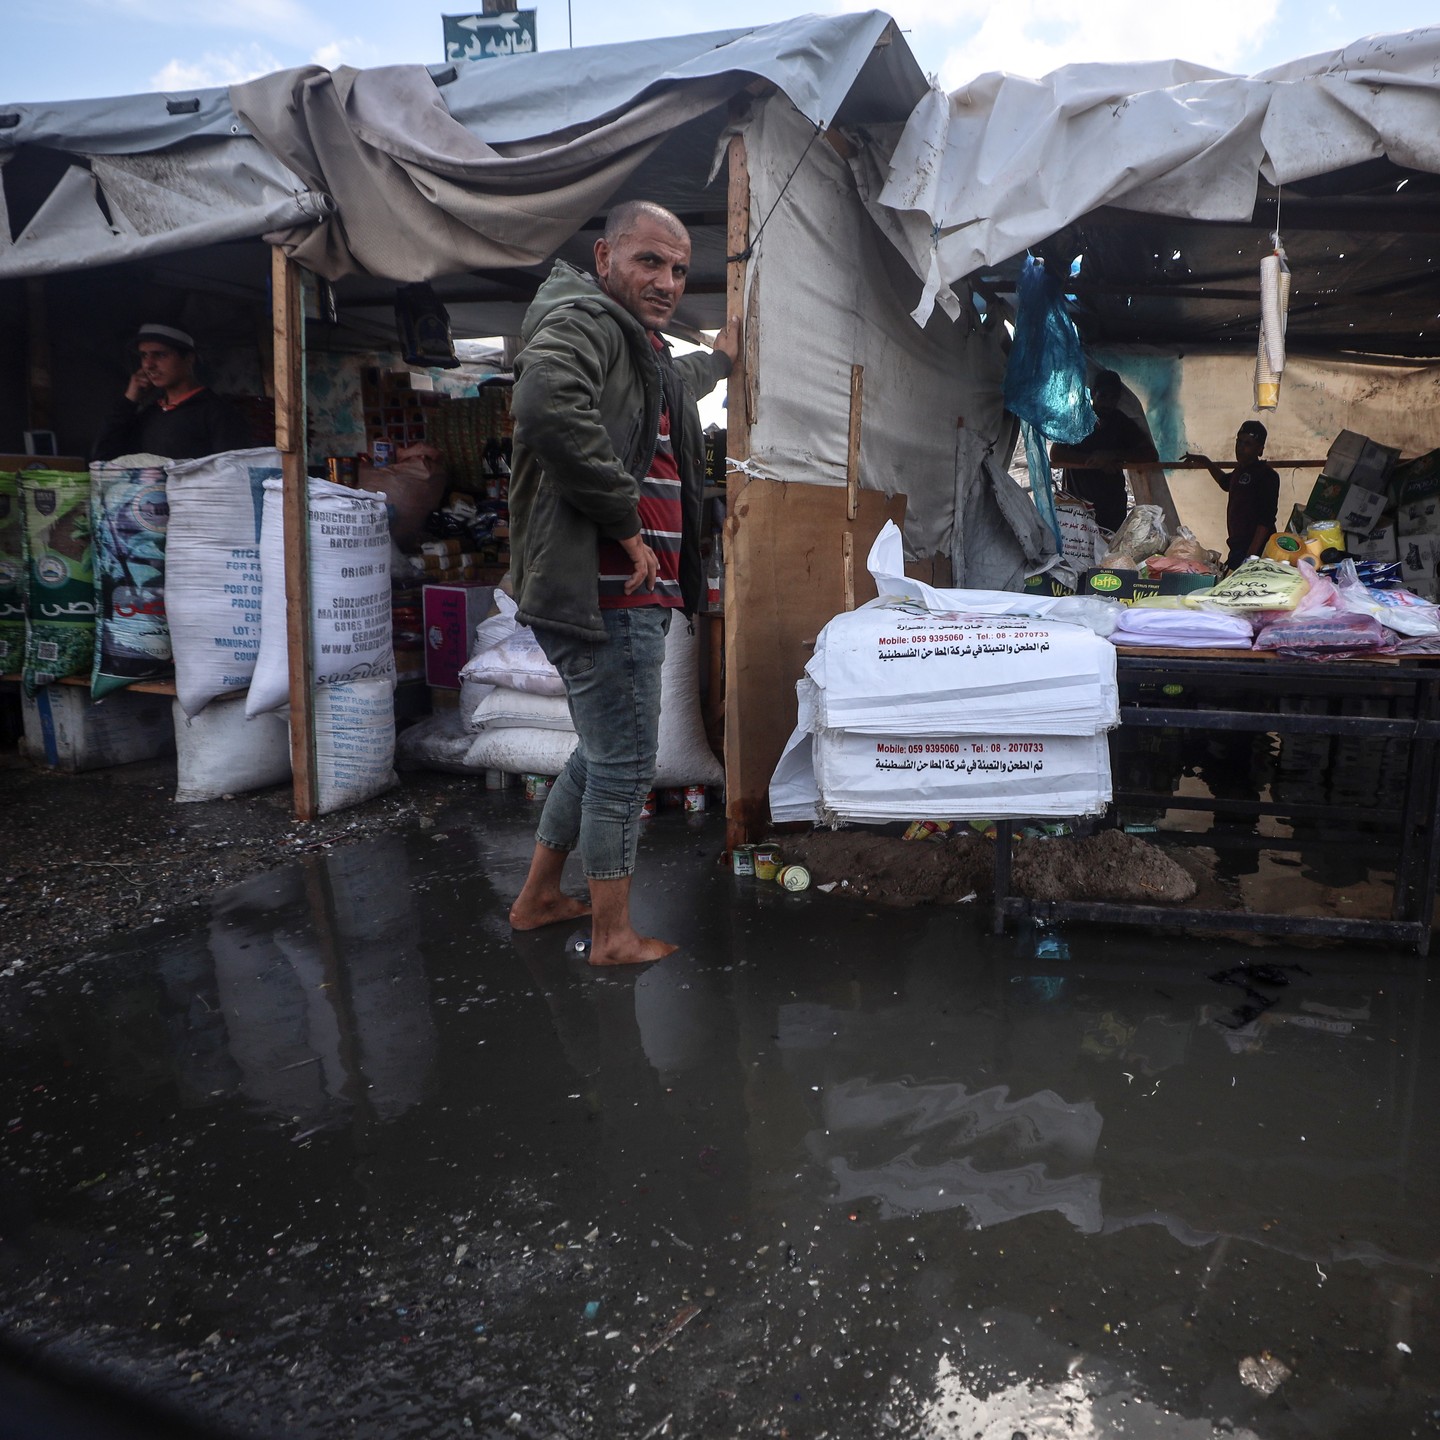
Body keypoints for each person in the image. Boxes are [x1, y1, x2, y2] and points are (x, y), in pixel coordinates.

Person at [506, 200, 739, 967]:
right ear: (605, 258)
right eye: (650, 261)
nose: (667, 281)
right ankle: (611, 937)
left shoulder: (637, 347)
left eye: (679, 269)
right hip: (608, 587)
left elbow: (675, 381)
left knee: (602, 751)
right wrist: (624, 519)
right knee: (624, 765)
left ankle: (540, 898)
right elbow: (545, 403)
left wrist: (723, 359)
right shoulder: (586, 321)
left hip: (617, 589)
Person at [91, 324, 253, 462]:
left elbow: (233, 473)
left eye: (160, 355)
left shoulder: (219, 413)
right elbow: (104, 458)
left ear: (189, 358)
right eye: (144, 355)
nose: (148, 365)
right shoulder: (150, 415)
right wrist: (129, 400)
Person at [1048, 369, 1158, 534]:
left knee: (1109, 547)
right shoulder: (1078, 418)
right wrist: (1095, 460)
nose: (1107, 403)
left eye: (1113, 398)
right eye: (1103, 396)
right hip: (1077, 504)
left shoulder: (1121, 423)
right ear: (1093, 394)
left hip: (1111, 506)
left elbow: (1151, 454)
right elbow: (1056, 454)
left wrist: (1113, 455)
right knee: (1077, 547)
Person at [1188, 420, 1281, 571]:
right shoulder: (1240, 471)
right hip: (1237, 546)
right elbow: (1225, 482)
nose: (1241, 447)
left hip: (1256, 550)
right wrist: (1205, 461)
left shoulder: (1267, 476)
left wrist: (1250, 557)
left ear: (1260, 449)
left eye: (1248, 444)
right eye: (1239, 442)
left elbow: (1266, 520)